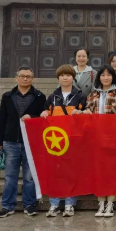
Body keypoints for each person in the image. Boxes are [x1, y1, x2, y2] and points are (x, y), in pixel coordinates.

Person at [0, 66, 46, 218]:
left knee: (30, 177)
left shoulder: (39, 96)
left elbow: (43, 118)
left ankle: (29, 205)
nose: (25, 78)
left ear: (33, 79)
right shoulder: (7, 96)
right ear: (16, 78)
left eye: (28, 76)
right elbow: (2, 119)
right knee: (10, 176)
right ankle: (7, 206)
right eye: (22, 76)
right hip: (11, 141)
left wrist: (32, 117)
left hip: (31, 142)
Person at [40, 65, 87, 218]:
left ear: (73, 78)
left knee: (71, 172)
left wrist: (81, 113)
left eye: (68, 75)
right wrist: (44, 113)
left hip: (73, 140)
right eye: (62, 75)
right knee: (55, 172)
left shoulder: (80, 96)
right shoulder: (52, 97)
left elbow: (87, 116)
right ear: (58, 78)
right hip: (56, 141)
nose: (65, 78)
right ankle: (54, 204)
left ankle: (69, 203)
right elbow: (47, 112)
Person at [85, 65, 116, 218]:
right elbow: (88, 113)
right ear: (99, 77)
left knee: (112, 170)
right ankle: (101, 202)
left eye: (108, 75)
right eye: (103, 75)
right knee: (99, 170)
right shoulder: (92, 94)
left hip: (113, 138)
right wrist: (85, 112)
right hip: (96, 137)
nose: (106, 78)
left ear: (113, 77)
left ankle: (110, 202)